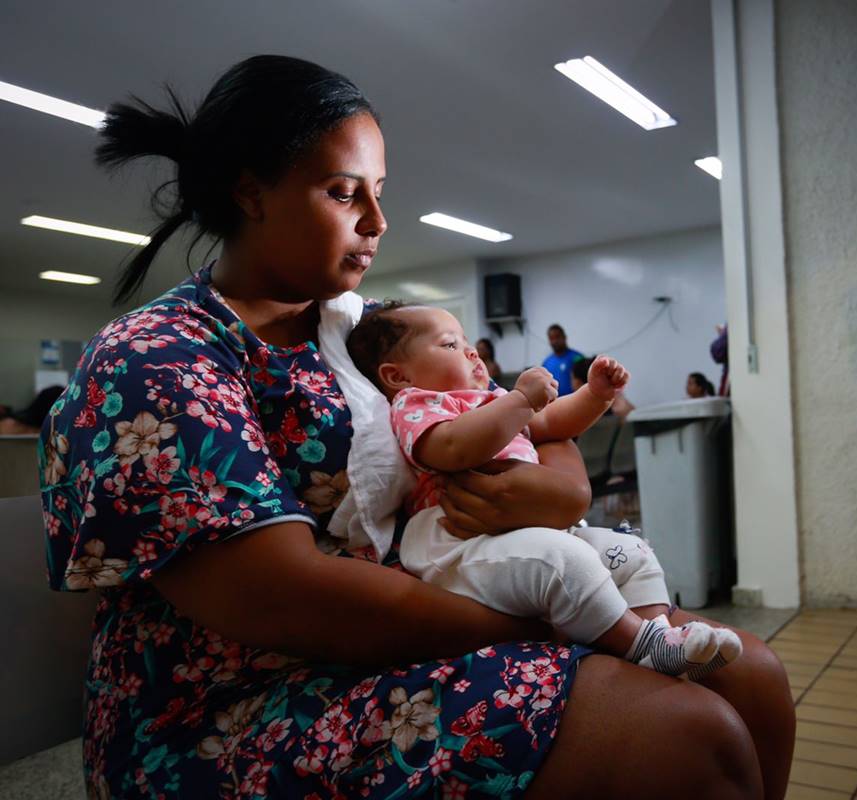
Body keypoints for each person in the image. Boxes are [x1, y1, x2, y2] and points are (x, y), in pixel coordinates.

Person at [39, 55, 793, 798]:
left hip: (434, 615)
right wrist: (555, 612)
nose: (378, 221)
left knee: (753, 681)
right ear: (250, 192)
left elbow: (521, 418)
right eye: (344, 193)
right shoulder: (159, 356)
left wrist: (561, 495)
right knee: (691, 737)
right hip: (245, 702)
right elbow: (284, 599)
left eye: (380, 192)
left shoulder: (367, 331)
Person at [347, 304, 741, 678]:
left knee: (634, 551)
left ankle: (657, 634)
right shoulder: (419, 404)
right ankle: (642, 645)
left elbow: (552, 421)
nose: (470, 352)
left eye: (467, 342)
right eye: (450, 344)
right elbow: (451, 447)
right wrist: (519, 401)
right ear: (398, 376)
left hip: (528, 532)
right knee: (564, 563)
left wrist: (595, 396)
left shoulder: (493, 400)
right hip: (458, 542)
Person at [542, 324, 584, 395]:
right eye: (551, 338)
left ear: (564, 337)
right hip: (554, 404)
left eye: (557, 337)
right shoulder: (546, 363)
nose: (555, 341)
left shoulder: (577, 358)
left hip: (575, 402)